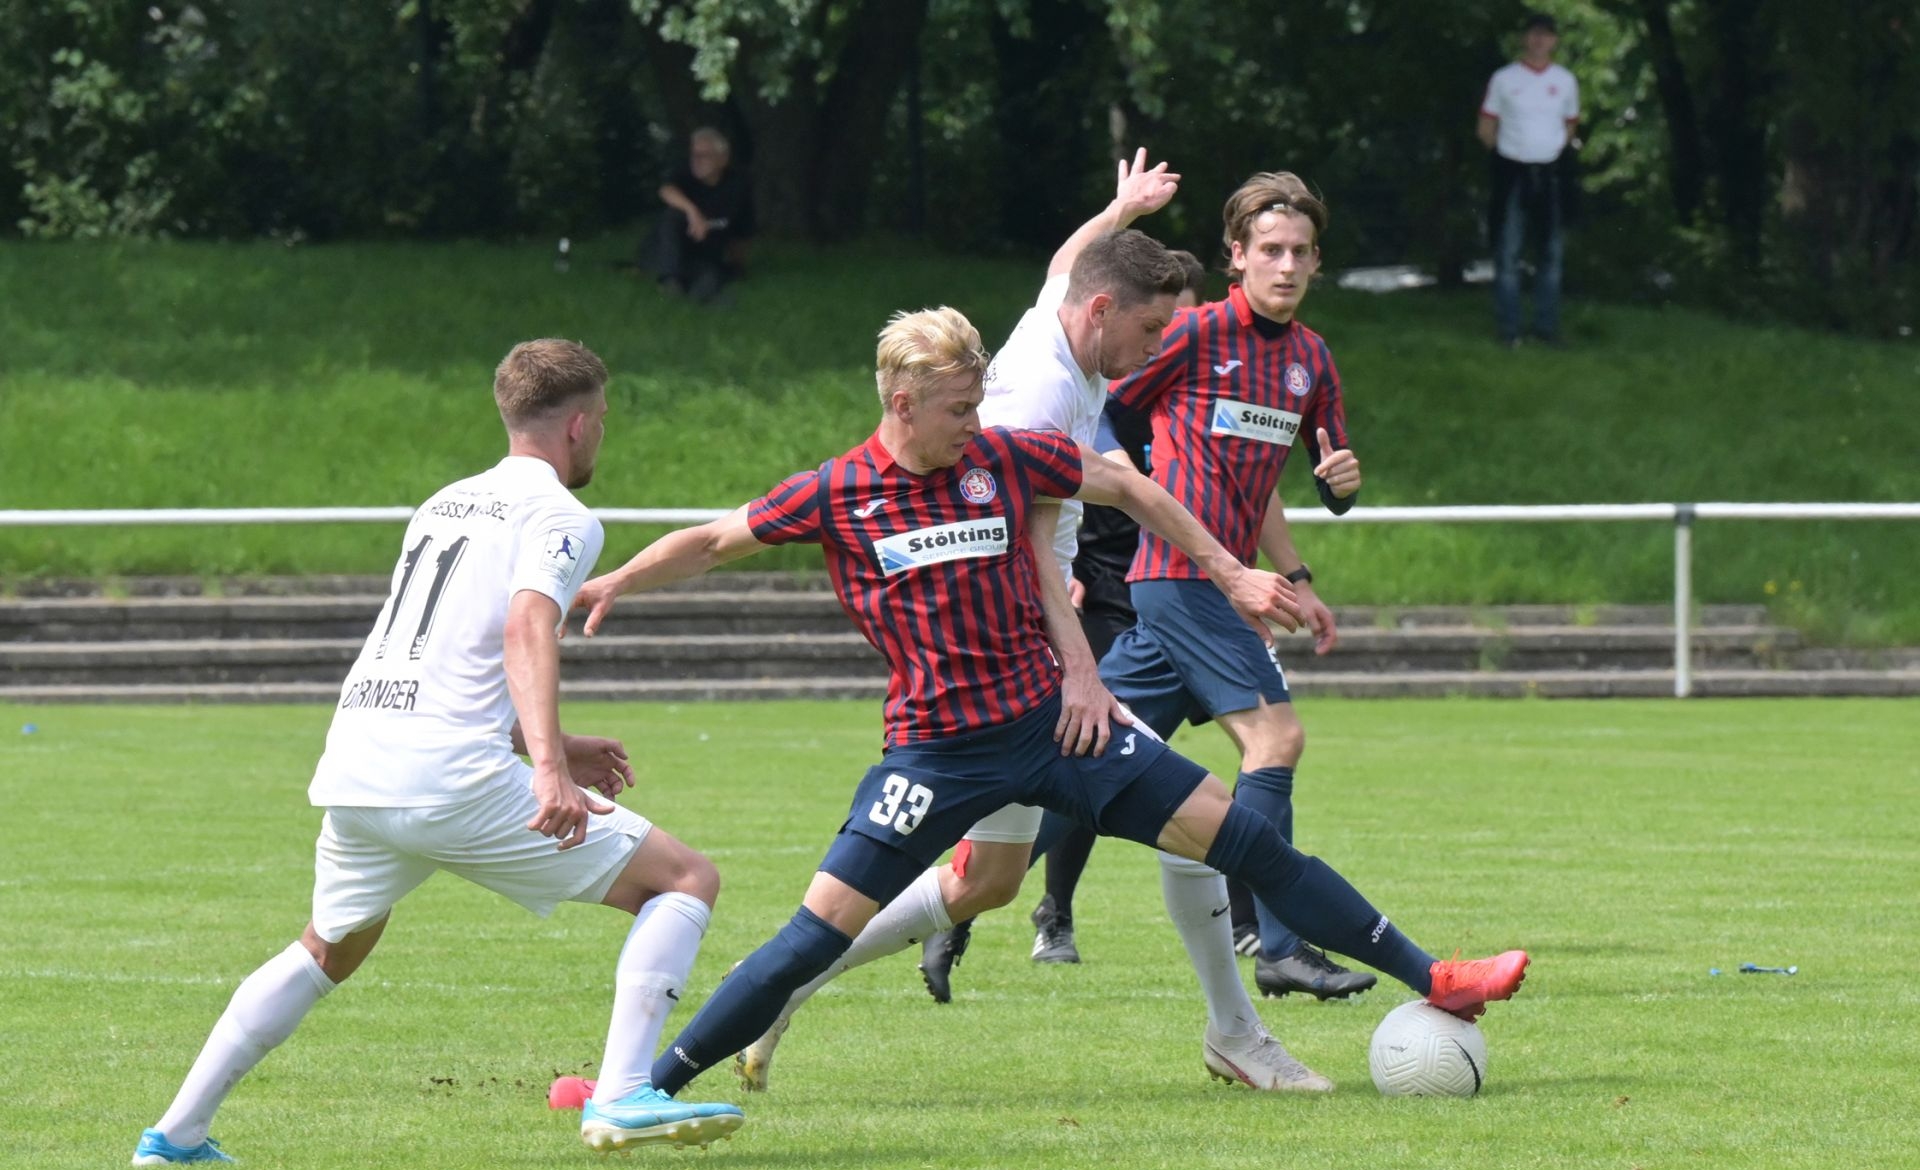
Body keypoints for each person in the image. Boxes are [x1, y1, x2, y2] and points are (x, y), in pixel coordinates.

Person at [564, 306, 1529, 1116]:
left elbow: (1125, 483)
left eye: (979, 400)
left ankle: (1437, 976)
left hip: (1063, 728)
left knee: (1250, 845)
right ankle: (645, 1088)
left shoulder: (1004, 458)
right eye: (955, 407)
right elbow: (710, 539)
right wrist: (617, 580)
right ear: (900, 403)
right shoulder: (840, 491)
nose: (973, 420)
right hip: (935, 757)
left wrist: (1231, 569)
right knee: (809, 936)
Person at [131, 340, 745, 1166]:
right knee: (684, 881)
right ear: (578, 425)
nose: (600, 436)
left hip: (359, 760)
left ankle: (175, 1134)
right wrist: (549, 771)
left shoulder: (446, 502)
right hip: (448, 775)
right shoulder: (563, 516)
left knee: (329, 946)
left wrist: (550, 741)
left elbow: (446, 653)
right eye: (600, 422)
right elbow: (525, 626)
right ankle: (625, 1092)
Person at [1011, 171, 1378, 1013]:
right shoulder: (1190, 332)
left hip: (1207, 581)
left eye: (1300, 253)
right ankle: (1282, 944)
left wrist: (1324, 522)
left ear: (1317, 262)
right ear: (1238, 256)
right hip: (1184, 576)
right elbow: (1103, 410)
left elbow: (1292, 480)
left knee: (1082, 764)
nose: (1285, 266)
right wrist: (1124, 502)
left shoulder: (1311, 360)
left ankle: (952, 894)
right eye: (1269, 251)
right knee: (1275, 740)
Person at [928, 248, 1207, 975]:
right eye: (1151, 328)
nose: (1157, 347)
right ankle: (1245, 1026)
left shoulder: (1054, 317)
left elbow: (1062, 259)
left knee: (985, 879)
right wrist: (1078, 671)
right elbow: (1033, 542)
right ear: (1103, 311)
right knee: (1206, 818)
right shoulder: (1046, 394)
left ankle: (781, 994)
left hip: (1024, 633)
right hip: (1016, 649)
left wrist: (1123, 211)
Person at [1478, 12, 1580, 347]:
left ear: (1554, 41)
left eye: (1546, 35)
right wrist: (1508, 155)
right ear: (1525, 38)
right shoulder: (1504, 79)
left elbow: (1570, 124)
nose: (1539, 40)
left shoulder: (1565, 81)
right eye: (1534, 34)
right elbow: (1486, 126)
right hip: (1512, 172)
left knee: (1550, 255)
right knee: (1508, 253)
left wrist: (1549, 151)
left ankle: (1546, 329)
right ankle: (1509, 331)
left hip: (1549, 173)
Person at [650, 127, 757, 304]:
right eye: (694, 155)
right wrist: (692, 211)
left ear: (722, 159)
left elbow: (742, 231)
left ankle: (699, 301)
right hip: (674, 252)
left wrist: (738, 265)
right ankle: (670, 281)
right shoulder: (685, 176)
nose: (696, 160)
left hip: (706, 255)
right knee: (673, 215)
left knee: (709, 279)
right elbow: (666, 190)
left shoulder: (737, 187)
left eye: (704, 155)